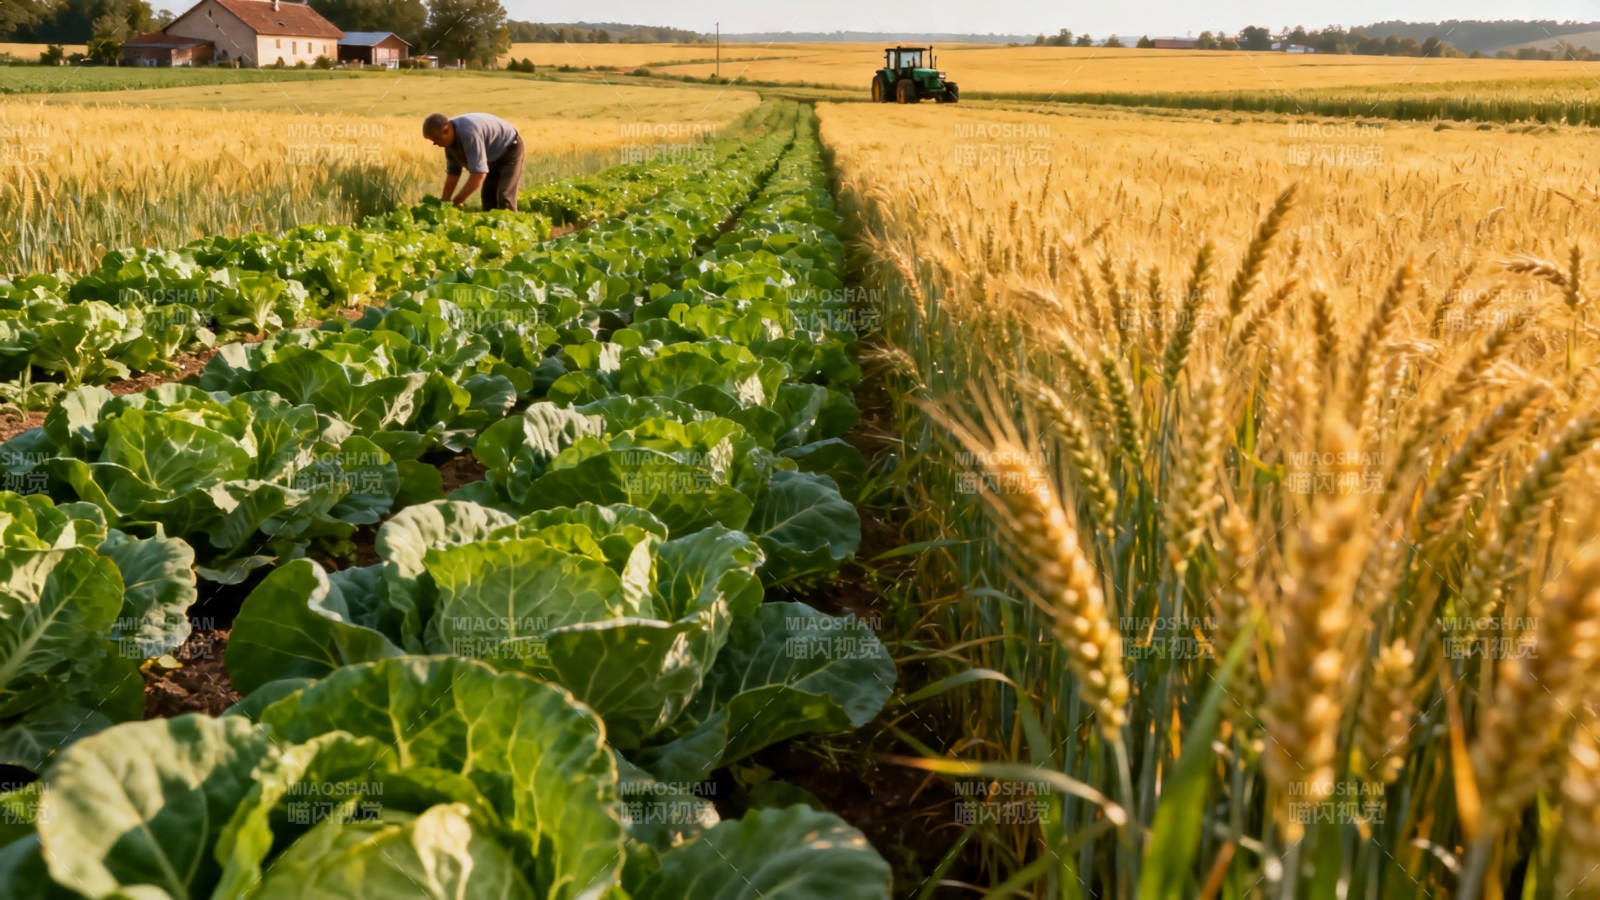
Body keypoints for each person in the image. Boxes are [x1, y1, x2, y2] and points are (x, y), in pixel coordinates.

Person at [422, 112, 525, 211]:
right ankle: (494, 228)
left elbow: (478, 175)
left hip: (510, 148)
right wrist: (445, 201)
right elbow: (453, 173)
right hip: (491, 155)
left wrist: (457, 201)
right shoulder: (449, 143)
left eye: (437, 138)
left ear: (446, 130)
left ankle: (512, 226)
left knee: (505, 197)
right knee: (488, 198)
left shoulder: (468, 133)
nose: (435, 143)